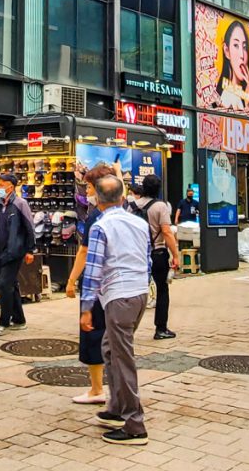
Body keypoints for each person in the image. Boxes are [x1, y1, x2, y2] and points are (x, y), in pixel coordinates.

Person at [80, 173, 151, 446]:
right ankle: (117, 408)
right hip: (138, 293)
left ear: (97, 200)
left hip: (119, 297)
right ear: (122, 198)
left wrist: (87, 307)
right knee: (110, 348)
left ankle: (134, 425)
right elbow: (146, 259)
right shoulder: (139, 223)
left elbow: (93, 269)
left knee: (122, 359)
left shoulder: (101, 227)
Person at [66, 163, 115, 405]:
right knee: (114, 338)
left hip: (96, 284)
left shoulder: (96, 216)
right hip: (118, 286)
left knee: (92, 333)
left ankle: (97, 389)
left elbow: (84, 252)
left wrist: (71, 280)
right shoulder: (122, 212)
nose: (86, 191)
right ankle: (115, 388)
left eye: (88, 187)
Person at [0, 173, 35, 336]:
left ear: (11, 186)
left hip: (14, 252)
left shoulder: (20, 204)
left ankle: (3, 322)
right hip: (0, 252)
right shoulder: (0, 204)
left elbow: (29, 227)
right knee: (10, 285)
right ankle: (19, 320)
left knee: (4, 284)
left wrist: (30, 250)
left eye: (2, 184)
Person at [135, 175, 179, 340]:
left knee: (134, 291)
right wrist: (175, 255)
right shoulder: (160, 206)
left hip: (137, 254)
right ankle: (161, 329)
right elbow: (167, 232)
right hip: (158, 253)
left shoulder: (132, 206)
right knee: (162, 290)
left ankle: (127, 329)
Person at [217, 21, 249, 111]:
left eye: (244, 47)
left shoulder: (242, 93)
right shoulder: (228, 94)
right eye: (236, 45)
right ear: (227, 51)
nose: (242, 55)